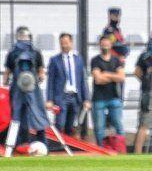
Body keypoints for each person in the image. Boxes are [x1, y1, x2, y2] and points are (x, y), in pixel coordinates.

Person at [2, 27, 48, 156]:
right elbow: (41, 73)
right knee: (36, 114)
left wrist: (5, 83)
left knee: (17, 117)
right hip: (31, 88)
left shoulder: (13, 53)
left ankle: (13, 148)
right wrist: (40, 79)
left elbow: (7, 73)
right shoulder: (34, 52)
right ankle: (42, 143)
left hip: (19, 89)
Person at [46, 33, 91, 136]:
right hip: (61, 97)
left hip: (75, 96)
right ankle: (58, 146)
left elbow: (83, 80)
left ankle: (69, 147)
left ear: (71, 43)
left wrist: (86, 98)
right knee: (60, 123)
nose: (64, 45)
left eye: (66, 43)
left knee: (71, 125)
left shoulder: (78, 59)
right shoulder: (55, 60)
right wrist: (49, 99)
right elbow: (51, 81)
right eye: (62, 43)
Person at [90, 36, 125, 147]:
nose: (105, 45)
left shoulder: (116, 60)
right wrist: (113, 76)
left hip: (114, 97)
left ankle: (120, 148)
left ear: (111, 45)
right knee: (99, 127)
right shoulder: (95, 60)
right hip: (99, 98)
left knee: (118, 125)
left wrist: (106, 74)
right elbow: (98, 79)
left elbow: (121, 77)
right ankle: (101, 149)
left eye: (107, 43)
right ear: (99, 45)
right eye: (103, 43)